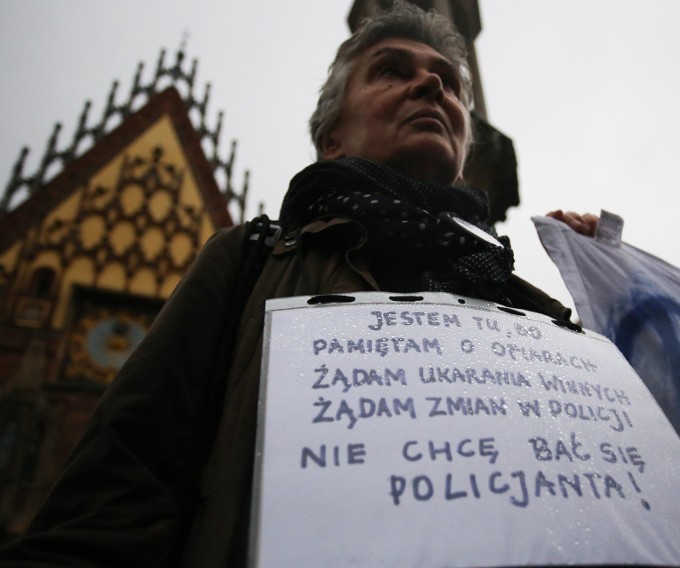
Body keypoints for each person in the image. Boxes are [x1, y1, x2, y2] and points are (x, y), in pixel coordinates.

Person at [0, 3, 572, 567]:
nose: (429, 85)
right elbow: (118, 489)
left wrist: (611, 308)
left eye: (448, 81)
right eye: (392, 70)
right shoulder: (252, 264)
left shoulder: (523, 307)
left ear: (469, 143)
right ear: (331, 138)